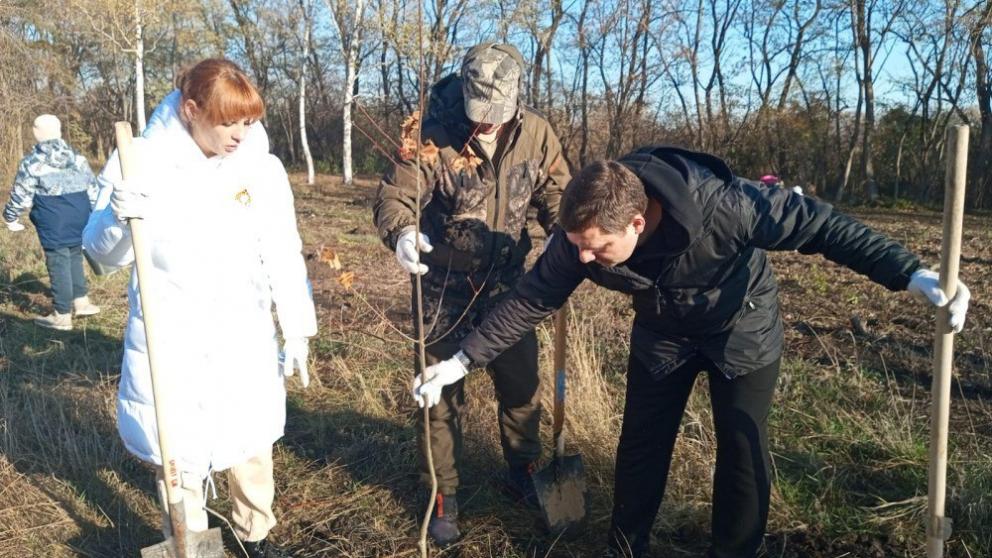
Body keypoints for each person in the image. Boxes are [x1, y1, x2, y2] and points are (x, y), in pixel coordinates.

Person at [412, 145, 971, 558]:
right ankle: (625, 548)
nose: (582, 259)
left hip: (741, 327)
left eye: (596, 249)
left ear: (636, 222)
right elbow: (533, 298)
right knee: (641, 445)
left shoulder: (725, 206)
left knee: (741, 450)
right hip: (663, 332)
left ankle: (733, 552)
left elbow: (823, 227)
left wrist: (910, 274)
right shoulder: (578, 238)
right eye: (578, 246)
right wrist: (461, 361)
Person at [83, 58, 316, 558]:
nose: (240, 134)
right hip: (172, 335)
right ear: (191, 110)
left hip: (243, 330)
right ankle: (191, 545)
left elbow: (282, 248)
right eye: (227, 122)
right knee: (178, 455)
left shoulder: (261, 168)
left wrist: (297, 327)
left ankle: (255, 535)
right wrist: (119, 219)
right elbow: (100, 257)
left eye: (248, 122)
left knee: (251, 446)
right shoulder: (139, 160)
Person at [373, 42, 571, 545]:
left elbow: (556, 193)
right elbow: (396, 196)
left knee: (522, 387)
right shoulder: (429, 134)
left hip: (510, 288)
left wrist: (566, 232)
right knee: (438, 397)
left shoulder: (537, 134)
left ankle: (523, 469)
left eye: (495, 113)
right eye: (478, 110)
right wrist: (402, 232)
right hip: (443, 288)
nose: (486, 122)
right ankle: (444, 493)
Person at [3, 114, 101, 330]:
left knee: (58, 263)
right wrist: (95, 216)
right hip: (80, 215)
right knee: (75, 256)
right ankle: (82, 302)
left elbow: (21, 195)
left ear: (36, 133)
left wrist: (10, 217)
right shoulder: (78, 159)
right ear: (59, 131)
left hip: (53, 219)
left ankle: (62, 315)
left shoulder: (32, 163)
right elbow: (94, 190)